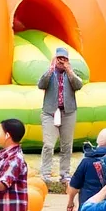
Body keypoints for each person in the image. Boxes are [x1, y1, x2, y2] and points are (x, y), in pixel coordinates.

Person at [37, 48, 82, 184]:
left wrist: (69, 71)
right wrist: (50, 69)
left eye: (64, 59)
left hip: (68, 112)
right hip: (50, 112)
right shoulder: (50, 73)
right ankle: (45, 174)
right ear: (54, 59)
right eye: (59, 58)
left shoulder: (71, 73)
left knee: (67, 145)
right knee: (49, 145)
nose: (61, 61)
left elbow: (78, 85)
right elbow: (41, 84)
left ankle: (64, 174)